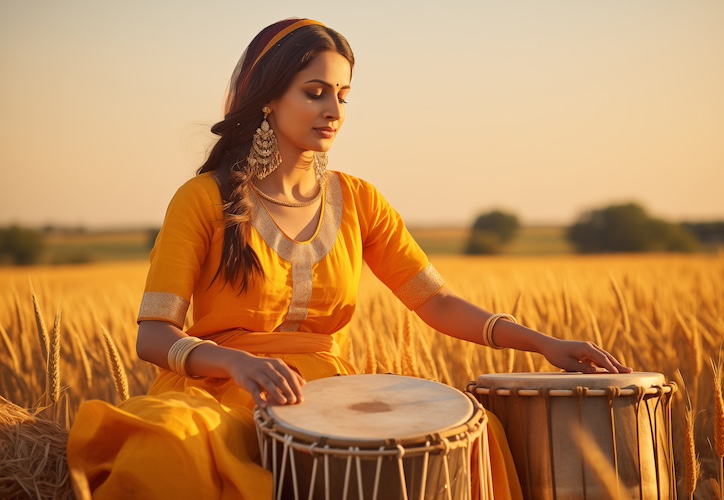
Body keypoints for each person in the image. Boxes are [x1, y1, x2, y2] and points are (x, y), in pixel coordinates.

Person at [66, 17, 631, 500]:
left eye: (343, 94)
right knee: (174, 448)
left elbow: (434, 301)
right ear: (269, 98)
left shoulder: (359, 200)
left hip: (327, 394)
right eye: (315, 92)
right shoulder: (204, 198)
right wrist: (235, 363)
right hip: (220, 391)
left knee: (472, 432)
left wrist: (544, 343)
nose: (333, 109)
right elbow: (152, 336)